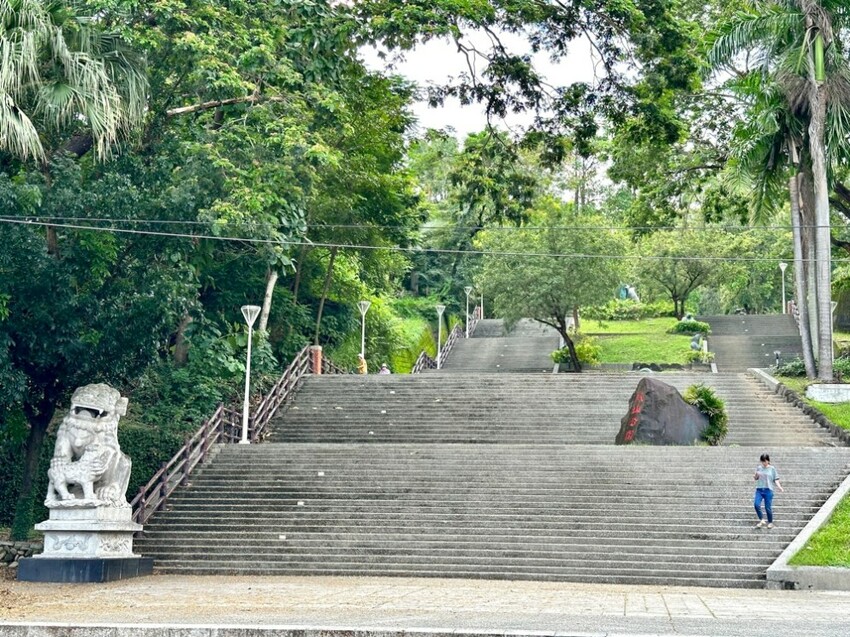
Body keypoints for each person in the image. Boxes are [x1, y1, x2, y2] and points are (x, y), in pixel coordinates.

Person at [754, 453, 784, 528]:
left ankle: (770, 522)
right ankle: (761, 520)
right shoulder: (759, 468)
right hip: (759, 489)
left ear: (768, 460)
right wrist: (755, 476)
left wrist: (779, 487)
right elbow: (756, 478)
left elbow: (776, 479)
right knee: (756, 504)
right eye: (762, 461)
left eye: (765, 461)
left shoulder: (772, 468)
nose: (763, 463)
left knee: (768, 507)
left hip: (768, 490)